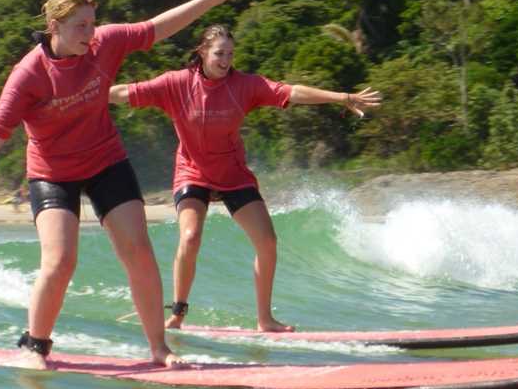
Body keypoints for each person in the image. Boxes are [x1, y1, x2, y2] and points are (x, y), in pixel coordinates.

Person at [0, 0, 248, 369]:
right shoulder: (30, 74)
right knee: (60, 261)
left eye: (92, 24)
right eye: (80, 26)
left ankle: (159, 348)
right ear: (54, 27)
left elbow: (158, 28)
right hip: (52, 173)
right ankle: (35, 346)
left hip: (106, 160)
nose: (90, 34)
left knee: (139, 252)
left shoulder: (104, 43)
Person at [109, 25, 381, 332]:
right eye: (218, 53)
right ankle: (178, 313)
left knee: (267, 241)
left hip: (233, 174)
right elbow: (125, 92)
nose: (225, 60)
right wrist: (85, 95)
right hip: (192, 171)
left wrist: (342, 97)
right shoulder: (176, 84)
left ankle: (265, 318)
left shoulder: (245, 86)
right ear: (202, 53)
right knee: (190, 237)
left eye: (230, 54)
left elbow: (290, 92)